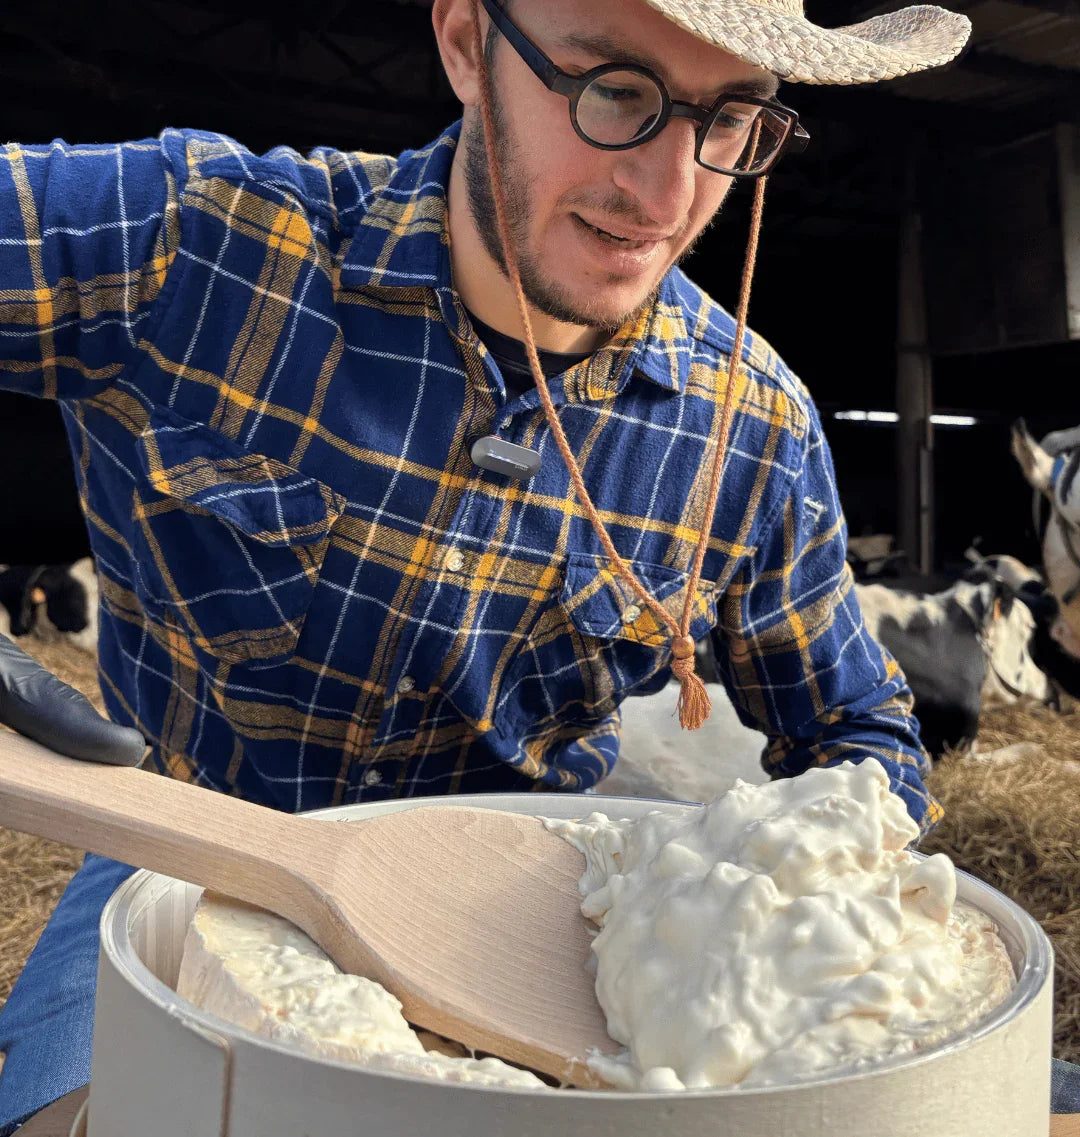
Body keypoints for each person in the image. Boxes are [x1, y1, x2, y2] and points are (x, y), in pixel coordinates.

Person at [0, 0, 1075, 1127]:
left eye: (728, 120)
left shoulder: (750, 429)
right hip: (185, 858)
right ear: (469, 45)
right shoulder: (198, 243)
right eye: (616, 91)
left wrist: (801, 925)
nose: (667, 197)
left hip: (548, 934)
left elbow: (856, 733)